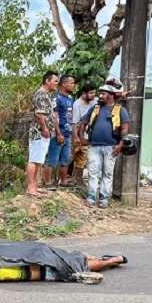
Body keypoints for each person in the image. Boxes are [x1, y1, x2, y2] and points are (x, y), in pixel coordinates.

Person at [79, 81, 129, 209]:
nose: (100, 96)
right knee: (93, 173)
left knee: (107, 174)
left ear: (111, 96)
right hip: (94, 146)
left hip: (111, 147)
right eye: (100, 93)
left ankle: (103, 199)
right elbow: (83, 123)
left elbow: (124, 129)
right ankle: (91, 198)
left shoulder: (120, 111)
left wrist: (120, 145)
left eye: (103, 94)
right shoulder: (95, 108)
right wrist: (81, 138)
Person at [25, 71, 57, 199]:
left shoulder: (46, 95)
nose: (57, 84)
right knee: (33, 159)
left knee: (38, 160)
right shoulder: (41, 94)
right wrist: (45, 129)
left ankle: (34, 186)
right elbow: (39, 114)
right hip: (39, 133)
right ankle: (31, 187)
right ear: (47, 81)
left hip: (43, 134)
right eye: (55, 81)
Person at [43, 74, 75, 189]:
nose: (73, 86)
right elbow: (54, 117)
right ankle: (48, 183)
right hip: (58, 134)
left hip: (67, 134)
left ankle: (64, 181)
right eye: (71, 83)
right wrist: (58, 134)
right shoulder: (57, 99)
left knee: (65, 159)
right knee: (52, 158)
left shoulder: (71, 99)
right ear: (64, 84)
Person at [71, 82, 97, 186]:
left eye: (94, 93)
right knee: (69, 158)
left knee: (81, 160)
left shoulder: (94, 101)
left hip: (87, 136)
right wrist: (76, 137)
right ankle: (56, 180)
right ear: (84, 94)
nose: (93, 95)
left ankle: (76, 180)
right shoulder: (78, 105)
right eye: (91, 93)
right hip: (77, 134)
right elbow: (74, 122)